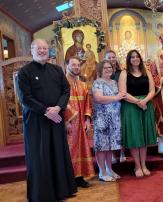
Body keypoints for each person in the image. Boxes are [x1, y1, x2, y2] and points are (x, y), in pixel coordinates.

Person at [17, 39, 77, 201]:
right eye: (39, 48)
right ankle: (42, 194)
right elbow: (25, 98)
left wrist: (58, 108)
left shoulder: (57, 70)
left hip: (56, 118)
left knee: (58, 153)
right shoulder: (24, 73)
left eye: (45, 48)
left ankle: (61, 191)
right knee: (39, 156)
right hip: (36, 122)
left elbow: (66, 90)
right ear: (32, 50)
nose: (43, 51)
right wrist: (45, 111)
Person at [119, 50, 157, 177]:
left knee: (144, 136)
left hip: (146, 105)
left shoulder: (147, 72)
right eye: (132, 57)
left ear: (140, 58)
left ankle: (144, 164)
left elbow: (152, 90)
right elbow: (123, 93)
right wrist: (138, 102)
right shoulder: (124, 73)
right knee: (135, 136)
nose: (135, 59)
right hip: (131, 107)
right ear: (129, 60)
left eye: (137, 57)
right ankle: (137, 165)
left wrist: (144, 101)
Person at [64, 56, 95, 188]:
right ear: (67, 65)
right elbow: (62, 102)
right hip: (69, 124)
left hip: (82, 124)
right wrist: (66, 121)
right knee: (70, 150)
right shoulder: (62, 83)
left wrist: (88, 119)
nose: (76, 67)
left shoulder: (82, 85)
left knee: (82, 149)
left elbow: (88, 103)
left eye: (78, 65)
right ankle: (69, 179)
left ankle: (80, 177)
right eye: (73, 65)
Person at [92, 60, 126, 181]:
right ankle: (102, 172)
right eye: (105, 68)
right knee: (102, 146)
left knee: (110, 146)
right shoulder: (97, 83)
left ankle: (109, 169)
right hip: (102, 118)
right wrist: (116, 97)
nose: (108, 69)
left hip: (114, 118)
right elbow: (99, 98)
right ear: (100, 70)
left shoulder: (114, 82)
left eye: (110, 67)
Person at [105, 50, 127, 163]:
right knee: (111, 130)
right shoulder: (102, 72)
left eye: (113, 57)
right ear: (105, 59)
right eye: (109, 57)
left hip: (120, 103)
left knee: (120, 128)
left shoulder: (121, 72)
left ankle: (122, 153)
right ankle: (114, 154)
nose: (112, 59)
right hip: (108, 104)